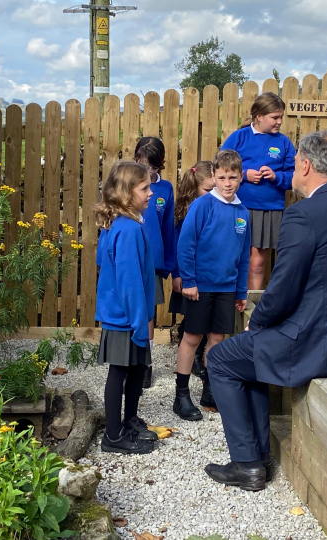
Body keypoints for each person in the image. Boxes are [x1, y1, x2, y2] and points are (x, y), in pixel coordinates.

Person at [204, 132, 327, 491]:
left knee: (223, 359)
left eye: (295, 162)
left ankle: (247, 464)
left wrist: (255, 324)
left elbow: (283, 288)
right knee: (250, 358)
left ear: (305, 164)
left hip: (314, 343)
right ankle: (258, 457)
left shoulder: (303, 214)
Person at [174, 150, 250, 421]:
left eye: (232, 177)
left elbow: (243, 258)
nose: (227, 183)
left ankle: (211, 390)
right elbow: (186, 244)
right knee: (193, 338)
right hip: (201, 286)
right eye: (222, 177)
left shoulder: (243, 213)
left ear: (241, 177)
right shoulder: (202, 205)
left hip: (227, 288)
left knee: (217, 339)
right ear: (214, 177)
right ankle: (181, 395)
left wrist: (241, 291)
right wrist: (190, 281)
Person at [94, 161, 159, 455]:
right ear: (126, 192)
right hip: (125, 317)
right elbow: (130, 280)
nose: (150, 192)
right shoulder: (128, 229)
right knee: (120, 372)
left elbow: (100, 260)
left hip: (129, 313)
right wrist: (139, 320)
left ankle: (129, 419)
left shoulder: (120, 223)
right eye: (144, 187)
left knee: (136, 368)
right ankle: (113, 435)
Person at [220, 92, 296, 291]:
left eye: (281, 117)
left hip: (269, 210)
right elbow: (220, 167)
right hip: (237, 207)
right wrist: (244, 175)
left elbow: (294, 178)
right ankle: (230, 302)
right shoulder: (239, 137)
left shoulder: (284, 143)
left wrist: (275, 176)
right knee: (233, 257)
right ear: (259, 116)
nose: (279, 122)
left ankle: (251, 306)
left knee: (258, 263)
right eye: (275, 117)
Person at [134, 137, 176, 389]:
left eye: (152, 167)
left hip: (153, 262)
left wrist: (169, 263)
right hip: (131, 258)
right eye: (142, 165)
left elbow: (168, 229)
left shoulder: (165, 189)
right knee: (131, 309)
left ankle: (145, 364)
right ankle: (128, 360)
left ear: (160, 164)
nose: (148, 172)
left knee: (149, 313)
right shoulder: (127, 186)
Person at [170, 161, 215, 380]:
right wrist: (177, 273)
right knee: (193, 315)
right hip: (189, 273)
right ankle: (192, 353)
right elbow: (179, 244)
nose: (211, 193)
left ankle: (200, 354)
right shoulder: (184, 211)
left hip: (208, 273)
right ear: (195, 186)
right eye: (207, 189)